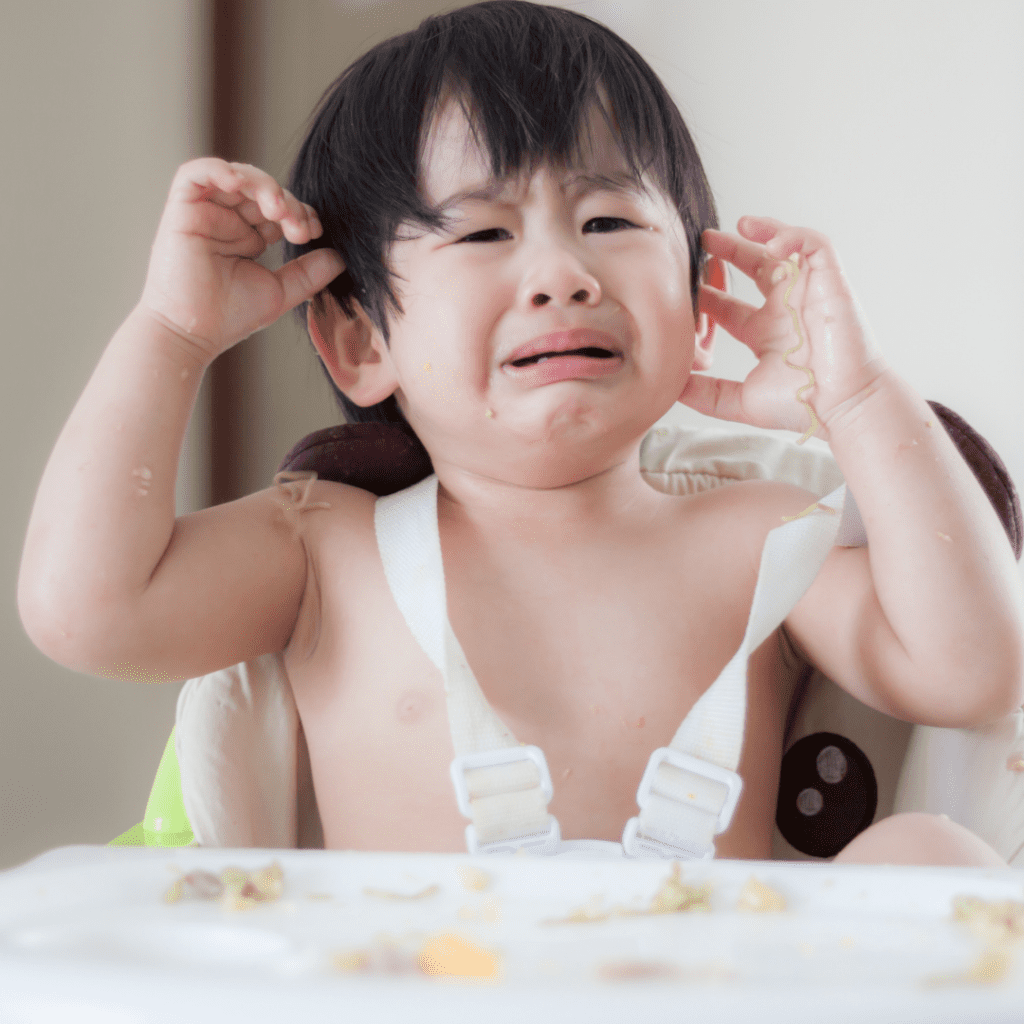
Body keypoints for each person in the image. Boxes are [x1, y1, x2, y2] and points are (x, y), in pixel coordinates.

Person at [18, 1, 1022, 865]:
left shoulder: (760, 530)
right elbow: (86, 608)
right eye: (485, 232)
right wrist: (171, 333)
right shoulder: (325, 553)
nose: (561, 273)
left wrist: (853, 400)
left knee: (925, 855)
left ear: (699, 296)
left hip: (714, 997)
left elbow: (975, 668)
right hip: (408, 1000)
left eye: (609, 224)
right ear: (362, 338)